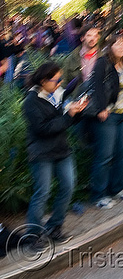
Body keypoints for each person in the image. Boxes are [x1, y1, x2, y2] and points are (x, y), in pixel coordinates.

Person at [22, 62, 88, 249]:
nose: (59, 83)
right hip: (41, 153)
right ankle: (32, 236)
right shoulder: (31, 102)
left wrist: (76, 112)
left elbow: (66, 122)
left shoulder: (56, 94)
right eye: (55, 80)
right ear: (43, 81)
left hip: (61, 150)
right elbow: (43, 129)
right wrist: (68, 116)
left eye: (60, 79)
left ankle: (54, 227)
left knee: (68, 187)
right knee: (42, 193)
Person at [90, 34, 123, 209]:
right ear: (110, 46)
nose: (122, 45)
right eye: (118, 43)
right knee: (105, 156)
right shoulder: (102, 63)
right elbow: (95, 86)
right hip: (109, 116)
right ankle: (99, 195)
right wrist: (101, 108)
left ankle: (117, 189)